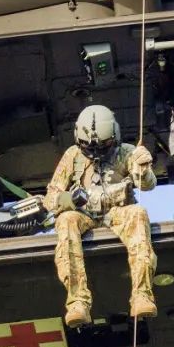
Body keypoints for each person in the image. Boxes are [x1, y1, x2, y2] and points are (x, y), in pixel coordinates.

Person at [42, 105, 158, 328]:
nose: (95, 153)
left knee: (138, 213)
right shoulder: (72, 156)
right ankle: (77, 303)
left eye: (103, 147)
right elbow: (51, 198)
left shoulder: (125, 152)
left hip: (117, 212)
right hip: (84, 214)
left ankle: (142, 295)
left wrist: (144, 169)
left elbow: (148, 185)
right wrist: (68, 200)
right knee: (65, 221)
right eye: (89, 147)